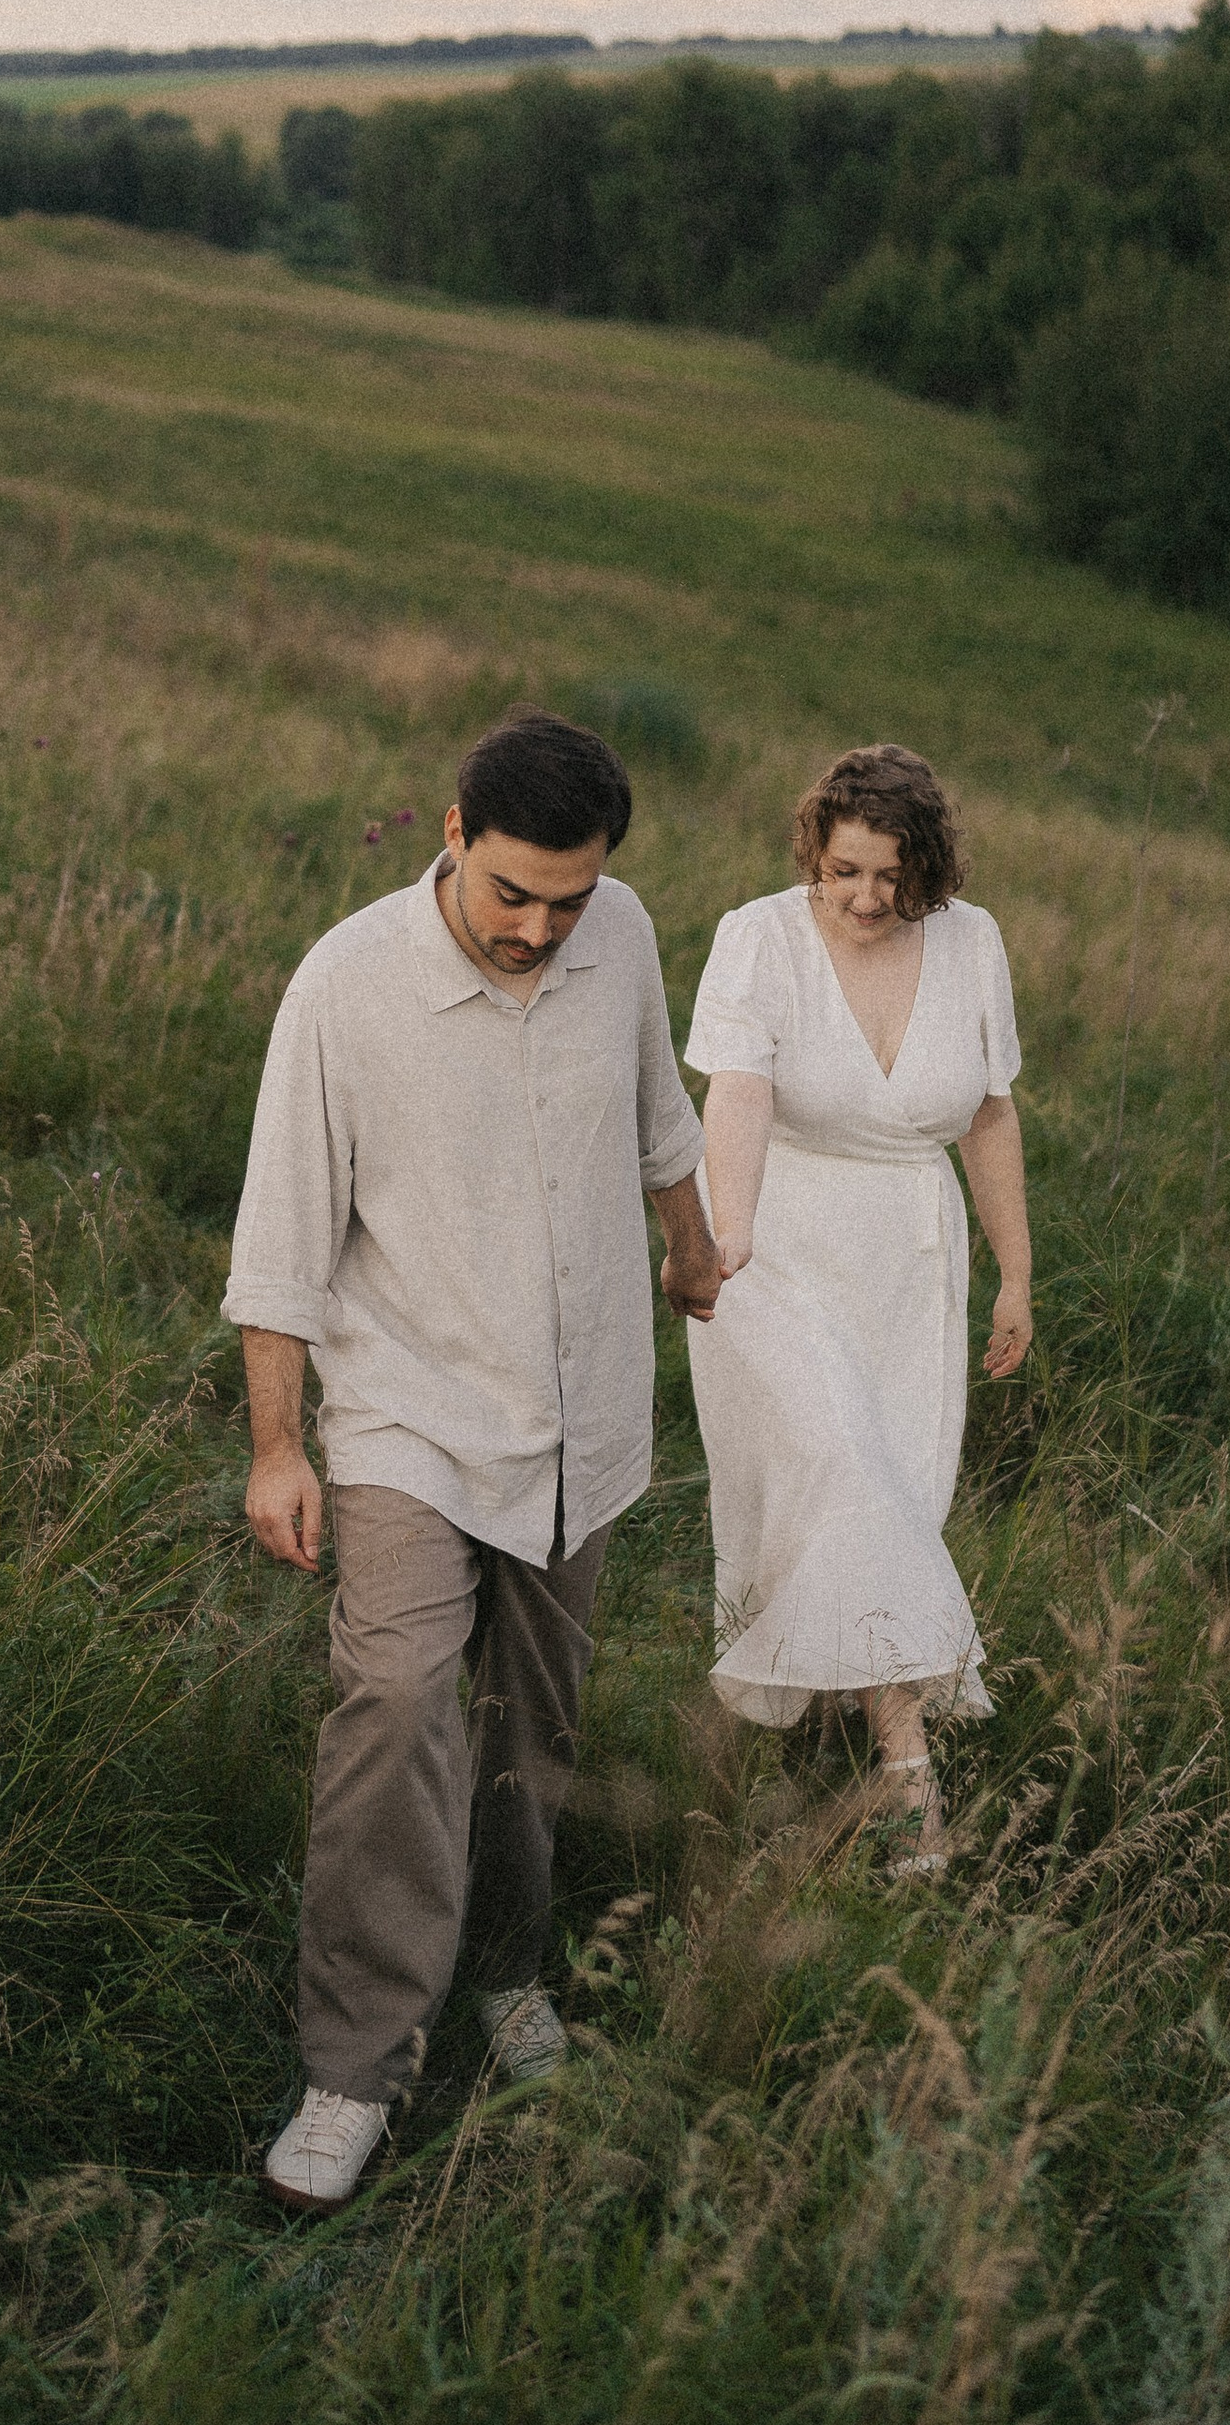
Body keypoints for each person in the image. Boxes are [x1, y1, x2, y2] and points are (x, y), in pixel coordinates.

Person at [224, 707, 722, 2215]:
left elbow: (658, 1117)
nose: (539, 928)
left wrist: (692, 1248)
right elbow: (282, 1237)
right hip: (406, 1415)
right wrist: (273, 1446)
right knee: (393, 1699)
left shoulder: (617, 934)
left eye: (567, 899)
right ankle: (354, 2066)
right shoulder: (348, 985)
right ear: (451, 831)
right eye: (513, 893)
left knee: (532, 1721)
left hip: (580, 1410)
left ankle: (508, 1974)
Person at [683, 744, 1031, 1873]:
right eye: (844, 872)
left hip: (909, 1259)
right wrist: (725, 1233)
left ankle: (806, 1737)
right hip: (775, 1247)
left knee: (892, 1493)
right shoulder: (759, 937)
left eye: (892, 876)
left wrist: (1014, 1272)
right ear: (811, 855)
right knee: (842, 1472)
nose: (866, 898)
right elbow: (735, 1094)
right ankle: (905, 1773)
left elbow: (986, 1116)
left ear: (927, 867)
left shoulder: (971, 943)